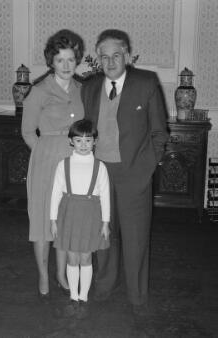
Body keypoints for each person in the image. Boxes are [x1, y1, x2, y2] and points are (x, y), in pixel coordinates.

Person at [81, 29, 169, 312]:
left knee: (136, 237)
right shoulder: (90, 86)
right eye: (104, 57)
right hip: (99, 173)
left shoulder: (146, 82)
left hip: (134, 175)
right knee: (104, 235)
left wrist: (145, 171)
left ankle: (136, 294)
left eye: (116, 56)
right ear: (98, 59)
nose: (110, 62)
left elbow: (159, 132)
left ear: (127, 56)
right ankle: (104, 285)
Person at [21, 29, 85, 297]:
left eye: (71, 59)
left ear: (77, 60)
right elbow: (27, 131)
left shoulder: (83, 89)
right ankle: (43, 276)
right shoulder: (38, 91)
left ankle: (61, 273)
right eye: (60, 60)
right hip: (46, 162)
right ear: (51, 61)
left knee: (65, 221)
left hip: (75, 162)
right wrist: (45, 152)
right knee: (42, 222)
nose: (67, 66)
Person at [50, 119, 110, 317]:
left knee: (85, 256)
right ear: (71, 142)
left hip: (90, 215)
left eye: (88, 140)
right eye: (79, 140)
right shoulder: (63, 165)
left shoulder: (100, 167)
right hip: (68, 214)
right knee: (71, 255)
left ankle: (83, 294)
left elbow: (105, 195)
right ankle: (73, 294)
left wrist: (105, 222)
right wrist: (52, 220)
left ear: (95, 141)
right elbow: (55, 193)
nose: (83, 145)